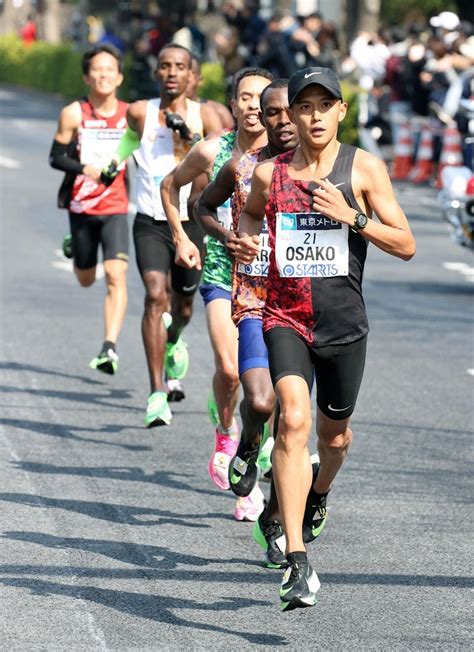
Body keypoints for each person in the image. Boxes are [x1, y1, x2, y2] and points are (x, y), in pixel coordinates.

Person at [234, 66, 416, 610]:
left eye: (324, 106)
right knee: (291, 419)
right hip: (284, 316)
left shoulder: (363, 168)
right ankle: (295, 559)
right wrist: (245, 245)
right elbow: (246, 218)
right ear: (291, 115)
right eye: (304, 107)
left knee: (334, 439)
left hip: (343, 326)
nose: (314, 116)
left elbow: (405, 244)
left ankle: (320, 491)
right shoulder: (270, 175)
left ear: (341, 111)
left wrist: (352, 217)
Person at [161, 67, 274, 521]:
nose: (251, 106)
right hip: (223, 271)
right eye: (244, 97)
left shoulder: (286, 156)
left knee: (266, 385)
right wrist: (183, 238)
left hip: (271, 278)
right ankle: (226, 431)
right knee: (229, 370)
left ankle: (255, 458)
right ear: (232, 104)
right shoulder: (213, 150)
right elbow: (171, 187)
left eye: (260, 98)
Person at [193, 79, 298, 563]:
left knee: (294, 425)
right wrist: (227, 236)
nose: (276, 120)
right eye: (265, 109)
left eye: (284, 111)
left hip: (307, 310)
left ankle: (276, 521)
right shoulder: (242, 166)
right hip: (254, 297)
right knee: (260, 398)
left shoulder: (326, 173)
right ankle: (244, 446)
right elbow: (201, 205)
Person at [114, 43, 223, 427]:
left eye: (179, 66)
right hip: (150, 220)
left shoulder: (207, 114)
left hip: (191, 225)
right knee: (154, 296)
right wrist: (113, 163)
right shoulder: (140, 111)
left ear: (191, 74)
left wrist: (192, 138)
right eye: (165, 66)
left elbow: (223, 158)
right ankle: (157, 392)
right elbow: (128, 140)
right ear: (157, 72)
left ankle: (174, 338)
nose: (172, 72)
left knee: (184, 307)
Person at [49, 44, 129, 375]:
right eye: (97, 69)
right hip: (82, 208)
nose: (103, 75)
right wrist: (85, 169)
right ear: (86, 76)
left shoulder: (130, 116)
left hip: (116, 207)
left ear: (120, 76)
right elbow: (56, 157)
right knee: (85, 278)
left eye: (110, 69)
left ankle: (109, 346)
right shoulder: (73, 113)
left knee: (115, 274)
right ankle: (75, 247)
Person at [187, 55, 235, 131]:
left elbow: (232, 140)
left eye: (191, 73)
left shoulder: (219, 111)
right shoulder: (162, 110)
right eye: (181, 71)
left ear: (200, 80)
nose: (186, 77)